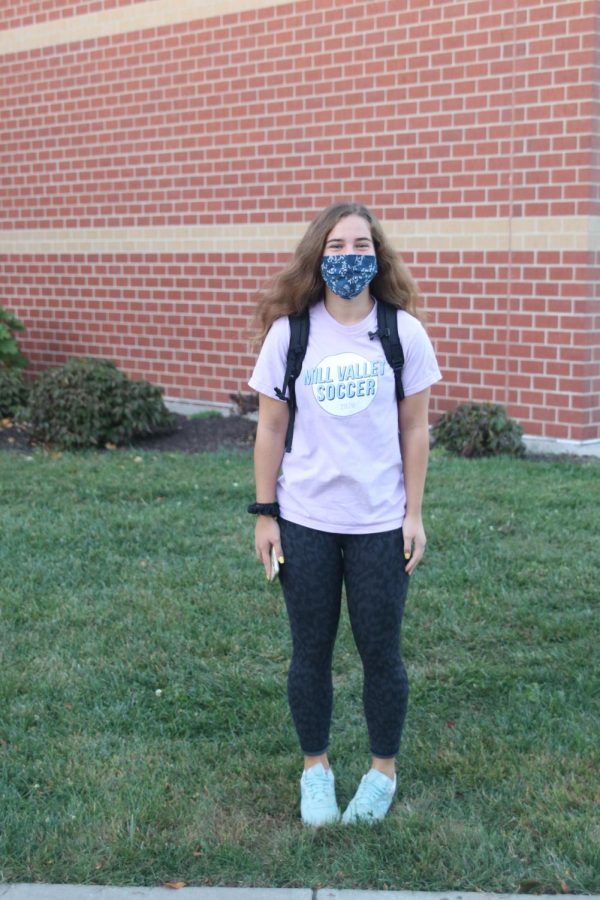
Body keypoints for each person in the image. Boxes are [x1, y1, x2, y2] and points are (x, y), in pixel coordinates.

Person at [247, 202, 441, 827]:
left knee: (381, 651)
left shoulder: (401, 333)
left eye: (360, 245)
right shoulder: (291, 334)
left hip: (381, 523)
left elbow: (415, 428)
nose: (348, 256)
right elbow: (270, 430)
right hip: (304, 519)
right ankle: (316, 770)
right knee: (310, 652)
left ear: (377, 255)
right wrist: (265, 514)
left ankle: (382, 773)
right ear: (318, 255)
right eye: (335, 246)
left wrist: (414, 514)